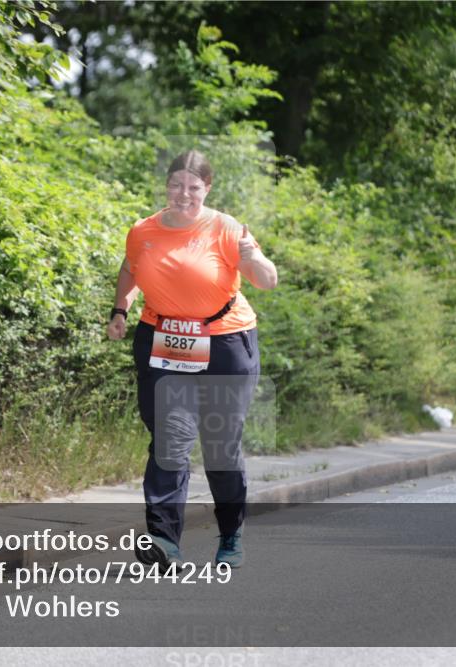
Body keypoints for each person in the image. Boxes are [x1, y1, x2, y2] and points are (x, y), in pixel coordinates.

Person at [106, 149, 278, 570]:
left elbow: (266, 280)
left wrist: (251, 255)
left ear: (207, 189)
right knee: (169, 439)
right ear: (166, 185)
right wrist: (120, 309)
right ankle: (164, 541)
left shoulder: (227, 229)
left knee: (220, 447)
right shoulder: (143, 231)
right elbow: (131, 269)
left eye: (193, 187)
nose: (184, 194)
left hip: (224, 342)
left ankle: (231, 533)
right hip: (163, 339)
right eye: (176, 185)